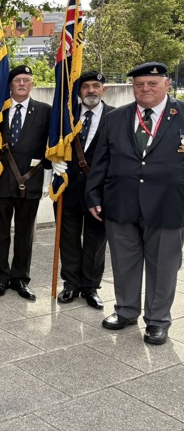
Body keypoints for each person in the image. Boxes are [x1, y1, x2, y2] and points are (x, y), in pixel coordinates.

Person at [85, 62, 184, 346]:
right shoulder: (116, 117)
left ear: (166, 84)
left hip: (168, 203)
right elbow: (101, 159)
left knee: (163, 266)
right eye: (139, 84)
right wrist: (93, 195)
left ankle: (157, 321)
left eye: (152, 83)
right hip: (121, 201)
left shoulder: (182, 113)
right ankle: (126, 310)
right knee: (124, 262)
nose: (145, 89)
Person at [52, 71, 113, 309]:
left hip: (99, 192)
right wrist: (52, 162)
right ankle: (71, 284)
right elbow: (50, 144)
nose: (91, 90)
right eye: (85, 86)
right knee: (67, 239)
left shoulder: (116, 117)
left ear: (104, 90)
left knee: (96, 241)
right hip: (68, 188)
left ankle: (90, 287)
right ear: (78, 91)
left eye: (96, 86)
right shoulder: (65, 117)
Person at [0, 65, 51, 301]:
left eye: (26, 80)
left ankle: (21, 279)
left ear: (32, 84)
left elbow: (50, 145)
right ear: (10, 85)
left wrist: (50, 172)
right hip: (1, 181)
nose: (22, 84)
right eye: (17, 80)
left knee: (25, 234)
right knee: (0, 233)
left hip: (30, 181)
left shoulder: (45, 111)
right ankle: (0, 278)